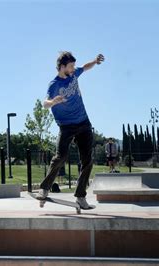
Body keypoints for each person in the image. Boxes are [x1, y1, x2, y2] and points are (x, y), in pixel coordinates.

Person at [36, 51, 105, 210]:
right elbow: (44, 104)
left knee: (87, 160)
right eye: (71, 66)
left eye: (74, 66)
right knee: (60, 157)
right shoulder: (54, 84)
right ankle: (45, 188)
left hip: (84, 123)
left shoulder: (74, 74)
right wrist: (53, 101)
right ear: (62, 67)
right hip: (66, 126)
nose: (74, 68)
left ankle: (81, 197)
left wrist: (95, 61)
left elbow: (85, 67)